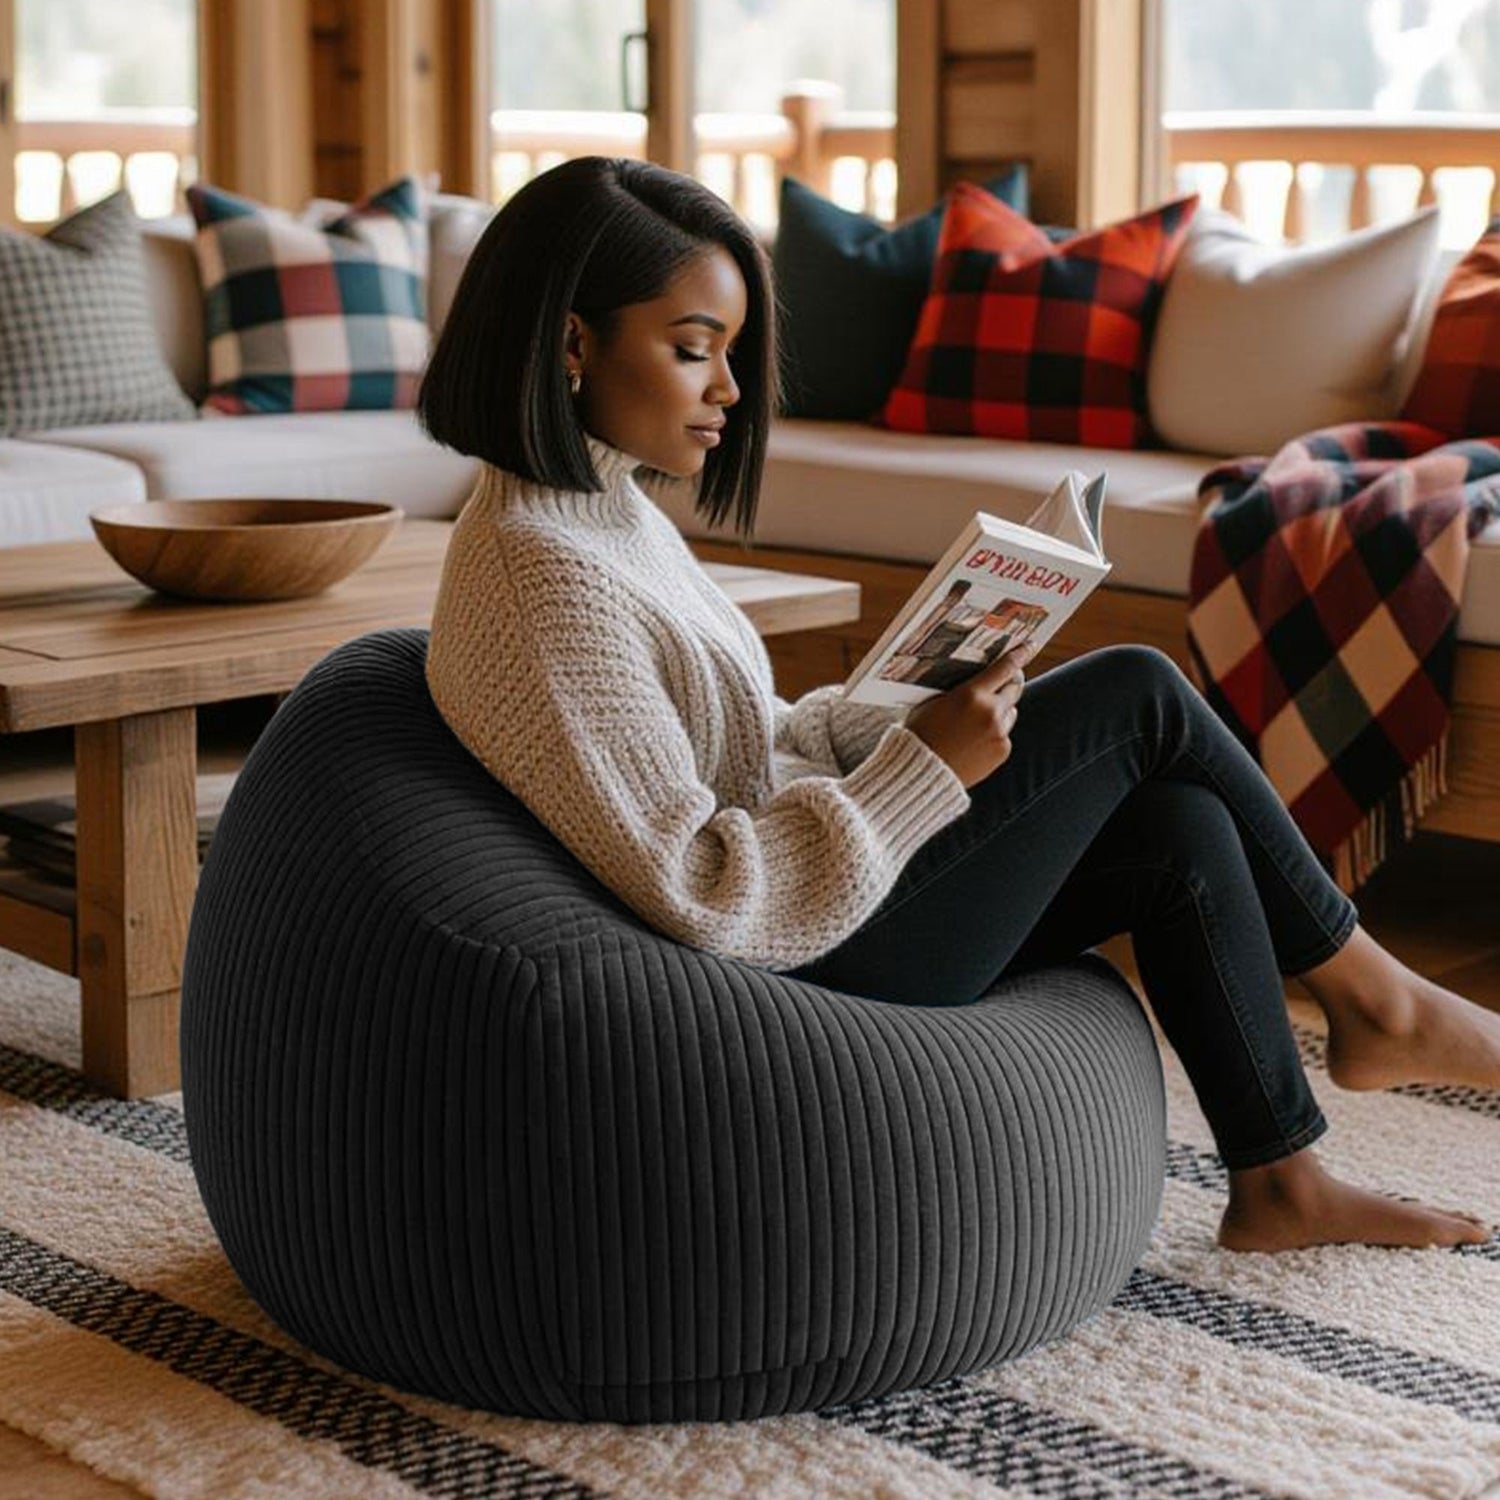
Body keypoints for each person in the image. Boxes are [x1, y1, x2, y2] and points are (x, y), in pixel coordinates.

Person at [420, 156, 1500, 1254]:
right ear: (570, 343)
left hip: (821, 907)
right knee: (1137, 690)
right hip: (797, 964)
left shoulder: (605, 515)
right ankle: (1379, 1001)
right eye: (695, 350)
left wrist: (894, 711)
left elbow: (739, 748)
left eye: (731, 355)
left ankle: (1282, 1182)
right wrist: (920, 771)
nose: (731, 392)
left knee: (1178, 825)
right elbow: (702, 887)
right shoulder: (539, 569)